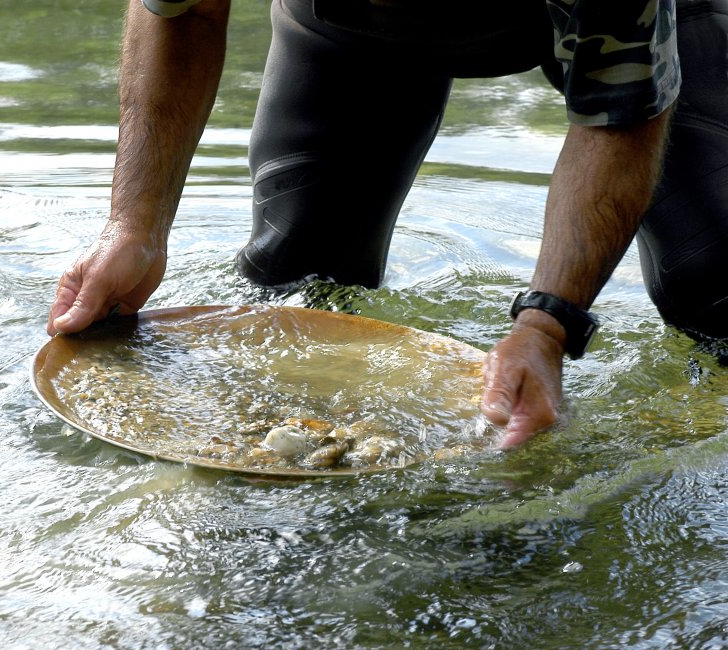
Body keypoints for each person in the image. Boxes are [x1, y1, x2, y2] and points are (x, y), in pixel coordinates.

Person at [47, 0, 728, 448]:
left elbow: (620, 114)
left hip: (641, 23)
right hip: (348, 27)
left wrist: (547, 324)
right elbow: (181, 12)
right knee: (300, 280)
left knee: (714, 285)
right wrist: (133, 227)